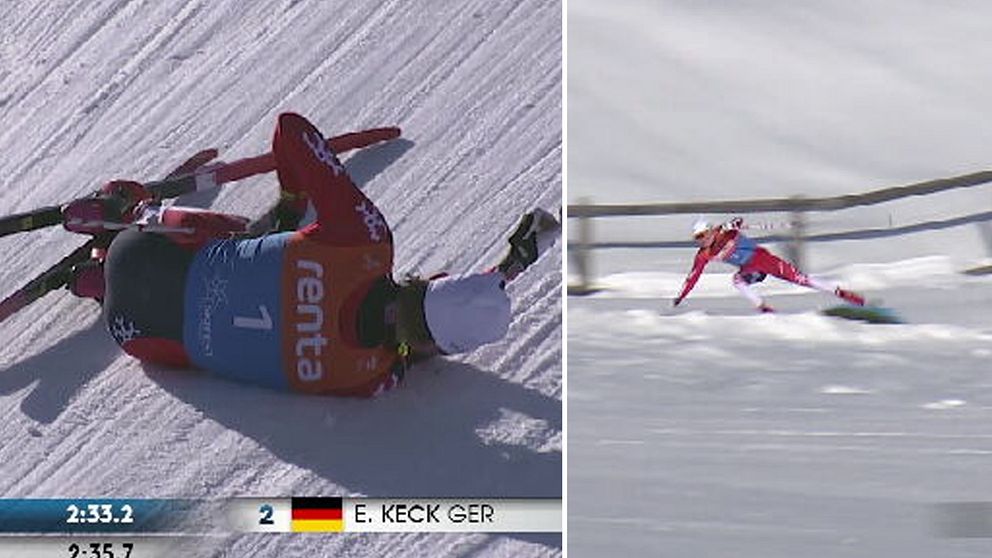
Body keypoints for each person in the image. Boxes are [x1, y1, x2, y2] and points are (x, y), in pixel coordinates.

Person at [71, 112, 559, 397]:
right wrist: (507, 271)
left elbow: (290, 128)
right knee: (242, 292)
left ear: (430, 282)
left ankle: (126, 212)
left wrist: (294, 196)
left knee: (250, 240)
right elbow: (421, 339)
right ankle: (95, 283)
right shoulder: (372, 379)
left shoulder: (366, 243)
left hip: (146, 250)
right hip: (141, 338)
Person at [673, 217, 864, 313]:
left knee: (800, 279)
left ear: (709, 231)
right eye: (697, 238)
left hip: (764, 260)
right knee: (738, 281)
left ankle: (840, 292)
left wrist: (733, 224)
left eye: (702, 235)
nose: (701, 240)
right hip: (750, 269)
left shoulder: (724, 232)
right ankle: (764, 308)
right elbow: (693, 276)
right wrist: (680, 297)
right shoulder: (704, 254)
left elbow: (738, 220)